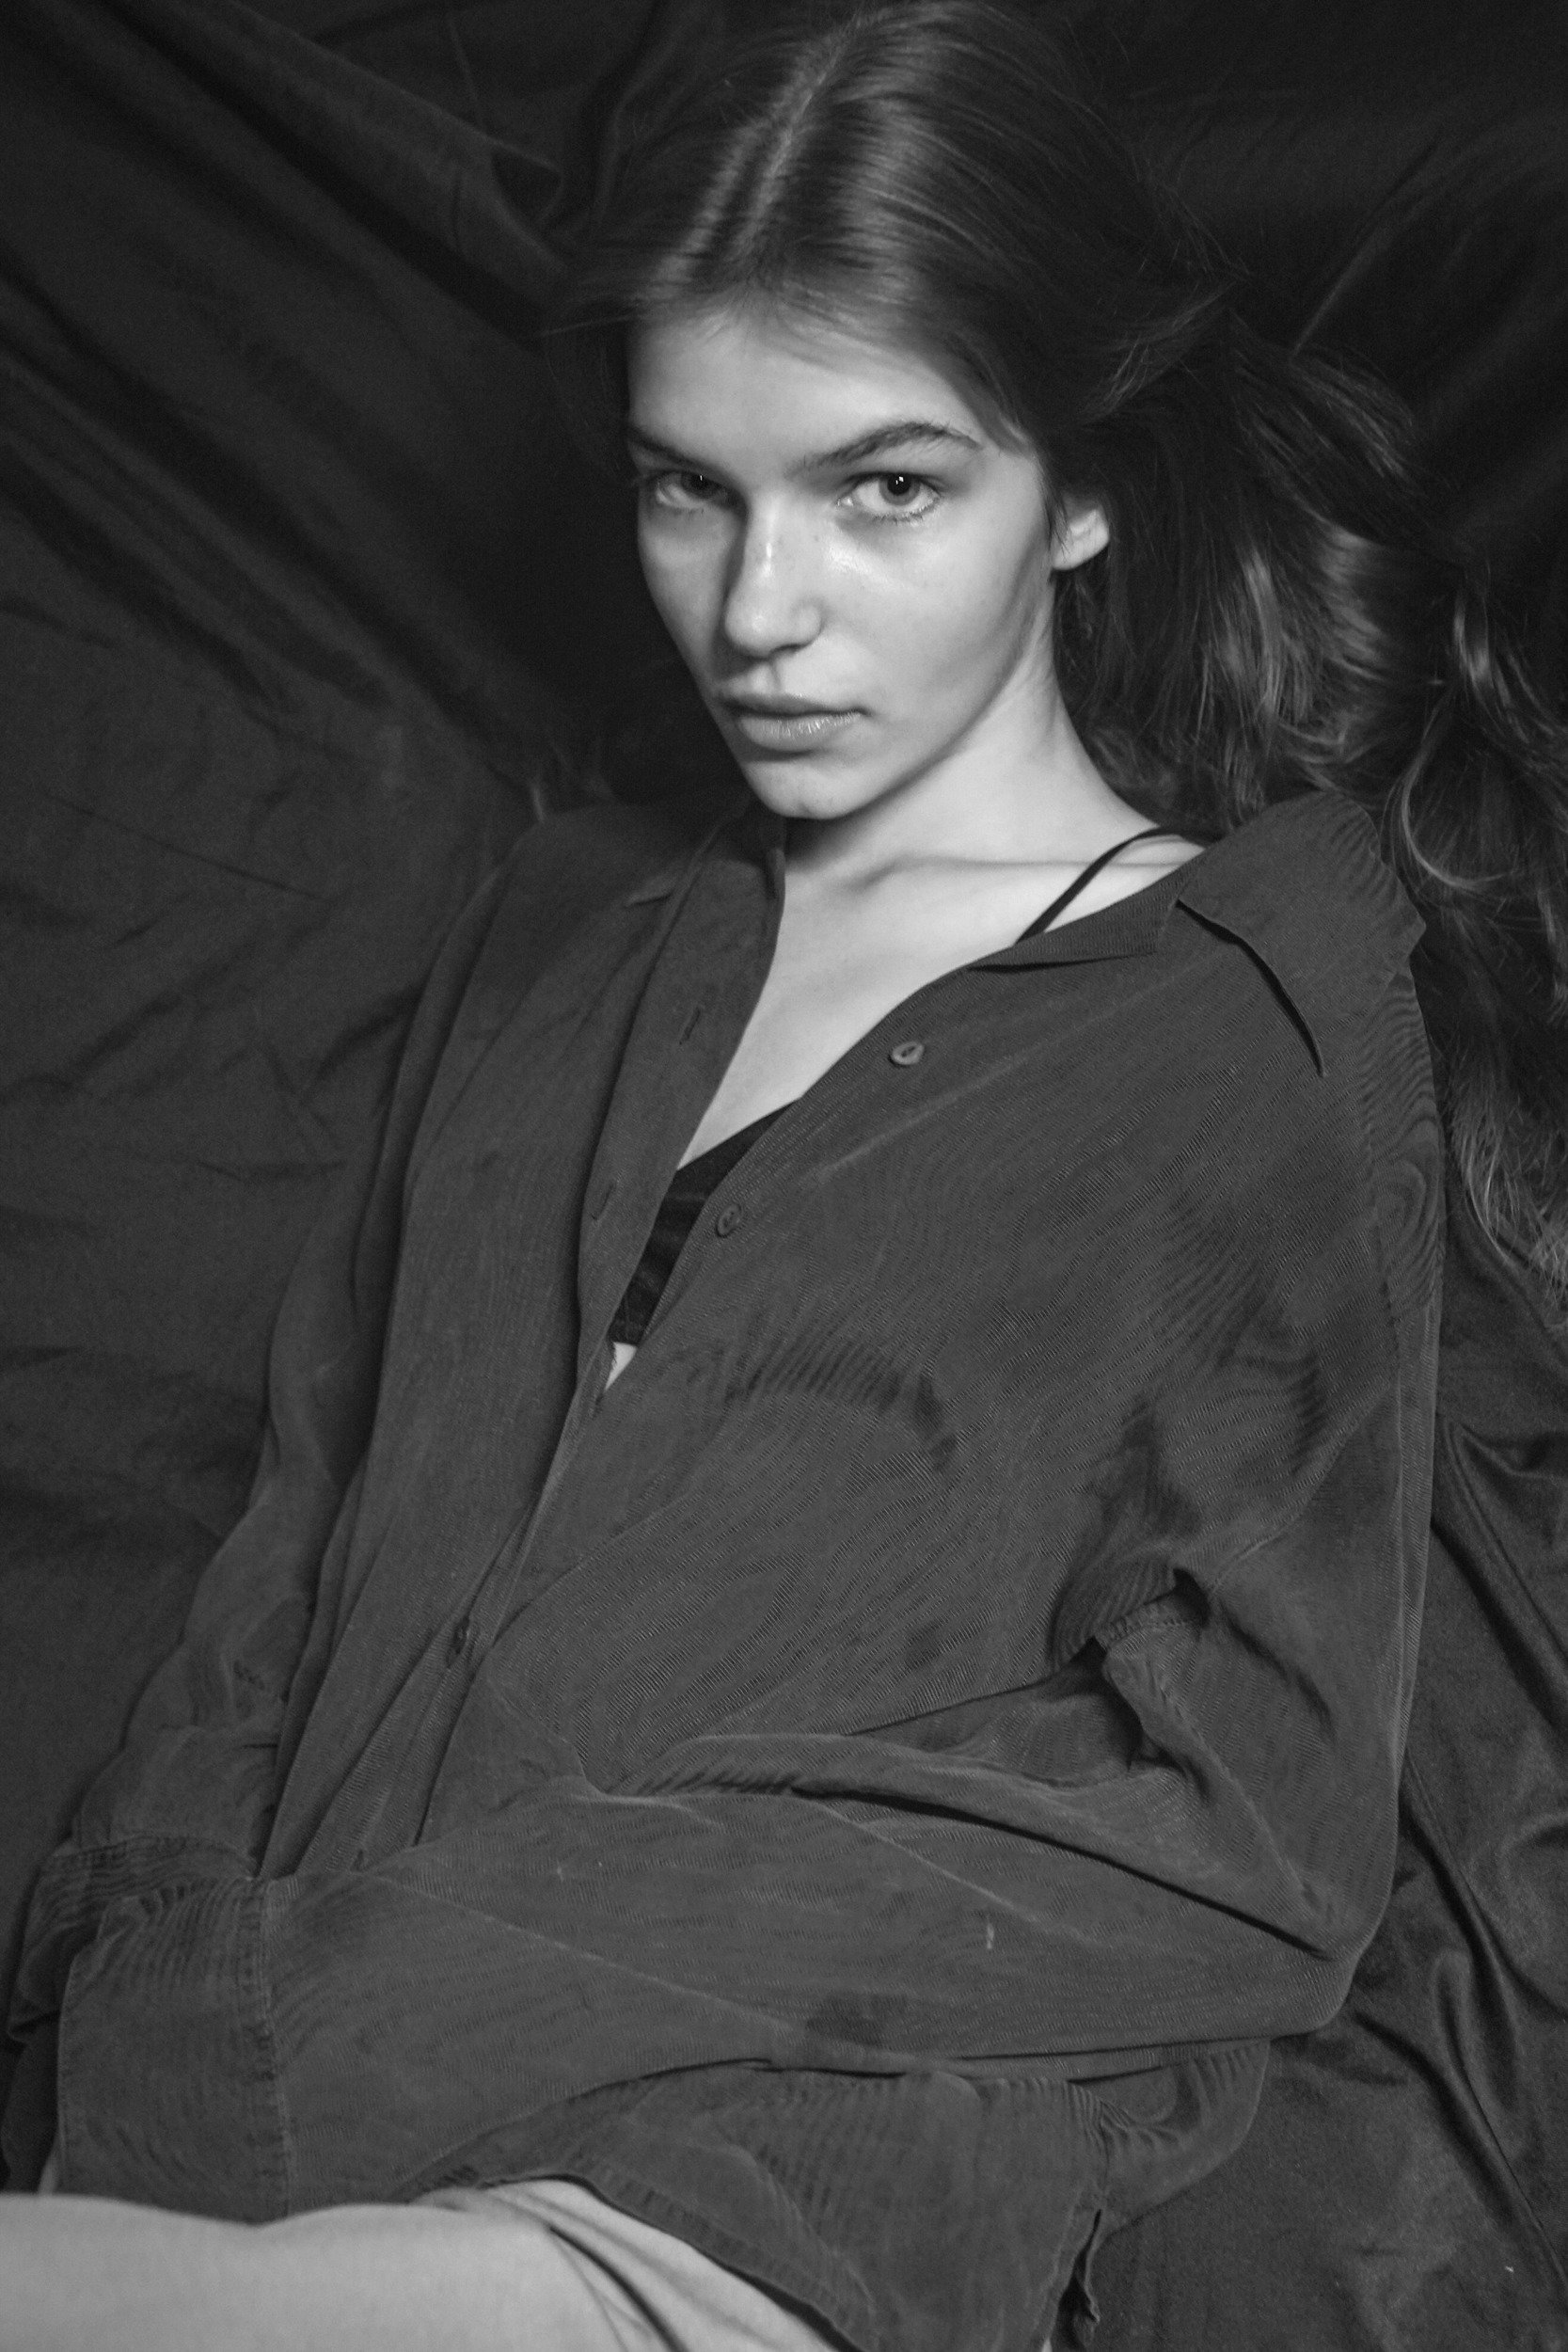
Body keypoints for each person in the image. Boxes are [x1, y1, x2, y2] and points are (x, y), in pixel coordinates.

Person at [2, 4, 1563, 2347]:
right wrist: (144, 1978)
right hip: (232, 2124)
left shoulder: (1246, 1011)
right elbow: (297, 1539)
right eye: (687, 489)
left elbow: (1247, 1829)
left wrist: (434, 1984)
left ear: (1086, 486)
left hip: (725, 2230)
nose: (760, 609)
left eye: (885, 489)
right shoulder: (568, 927)